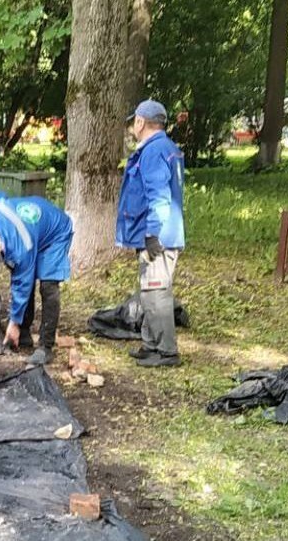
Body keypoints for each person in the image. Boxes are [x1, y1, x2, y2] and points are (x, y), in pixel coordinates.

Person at [0, 192, 73, 365]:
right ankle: (24, 334)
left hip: (55, 232)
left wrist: (14, 322)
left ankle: (45, 347)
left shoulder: (20, 247)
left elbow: (23, 283)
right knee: (24, 273)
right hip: (33, 229)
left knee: (48, 286)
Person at [117, 100, 185, 368]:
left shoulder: (154, 151)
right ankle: (150, 344)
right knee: (148, 289)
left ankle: (166, 352)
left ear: (141, 122)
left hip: (160, 236)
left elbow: (159, 196)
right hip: (160, 232)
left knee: (157, 291)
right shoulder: (165, 148)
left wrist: (152, 234)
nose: (133, 125)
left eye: (134, 121)